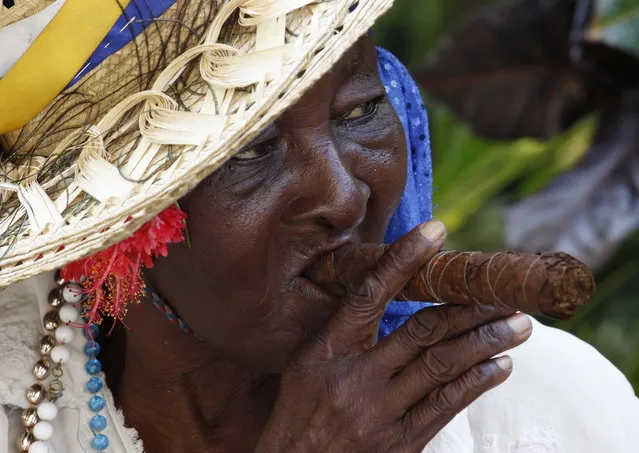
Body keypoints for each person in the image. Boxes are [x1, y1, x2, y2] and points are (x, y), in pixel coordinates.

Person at [0, 1, 637, 452]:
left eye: (360, 110)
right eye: (251, 151)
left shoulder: (545, 416)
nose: (341, 194)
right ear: (115, 230)